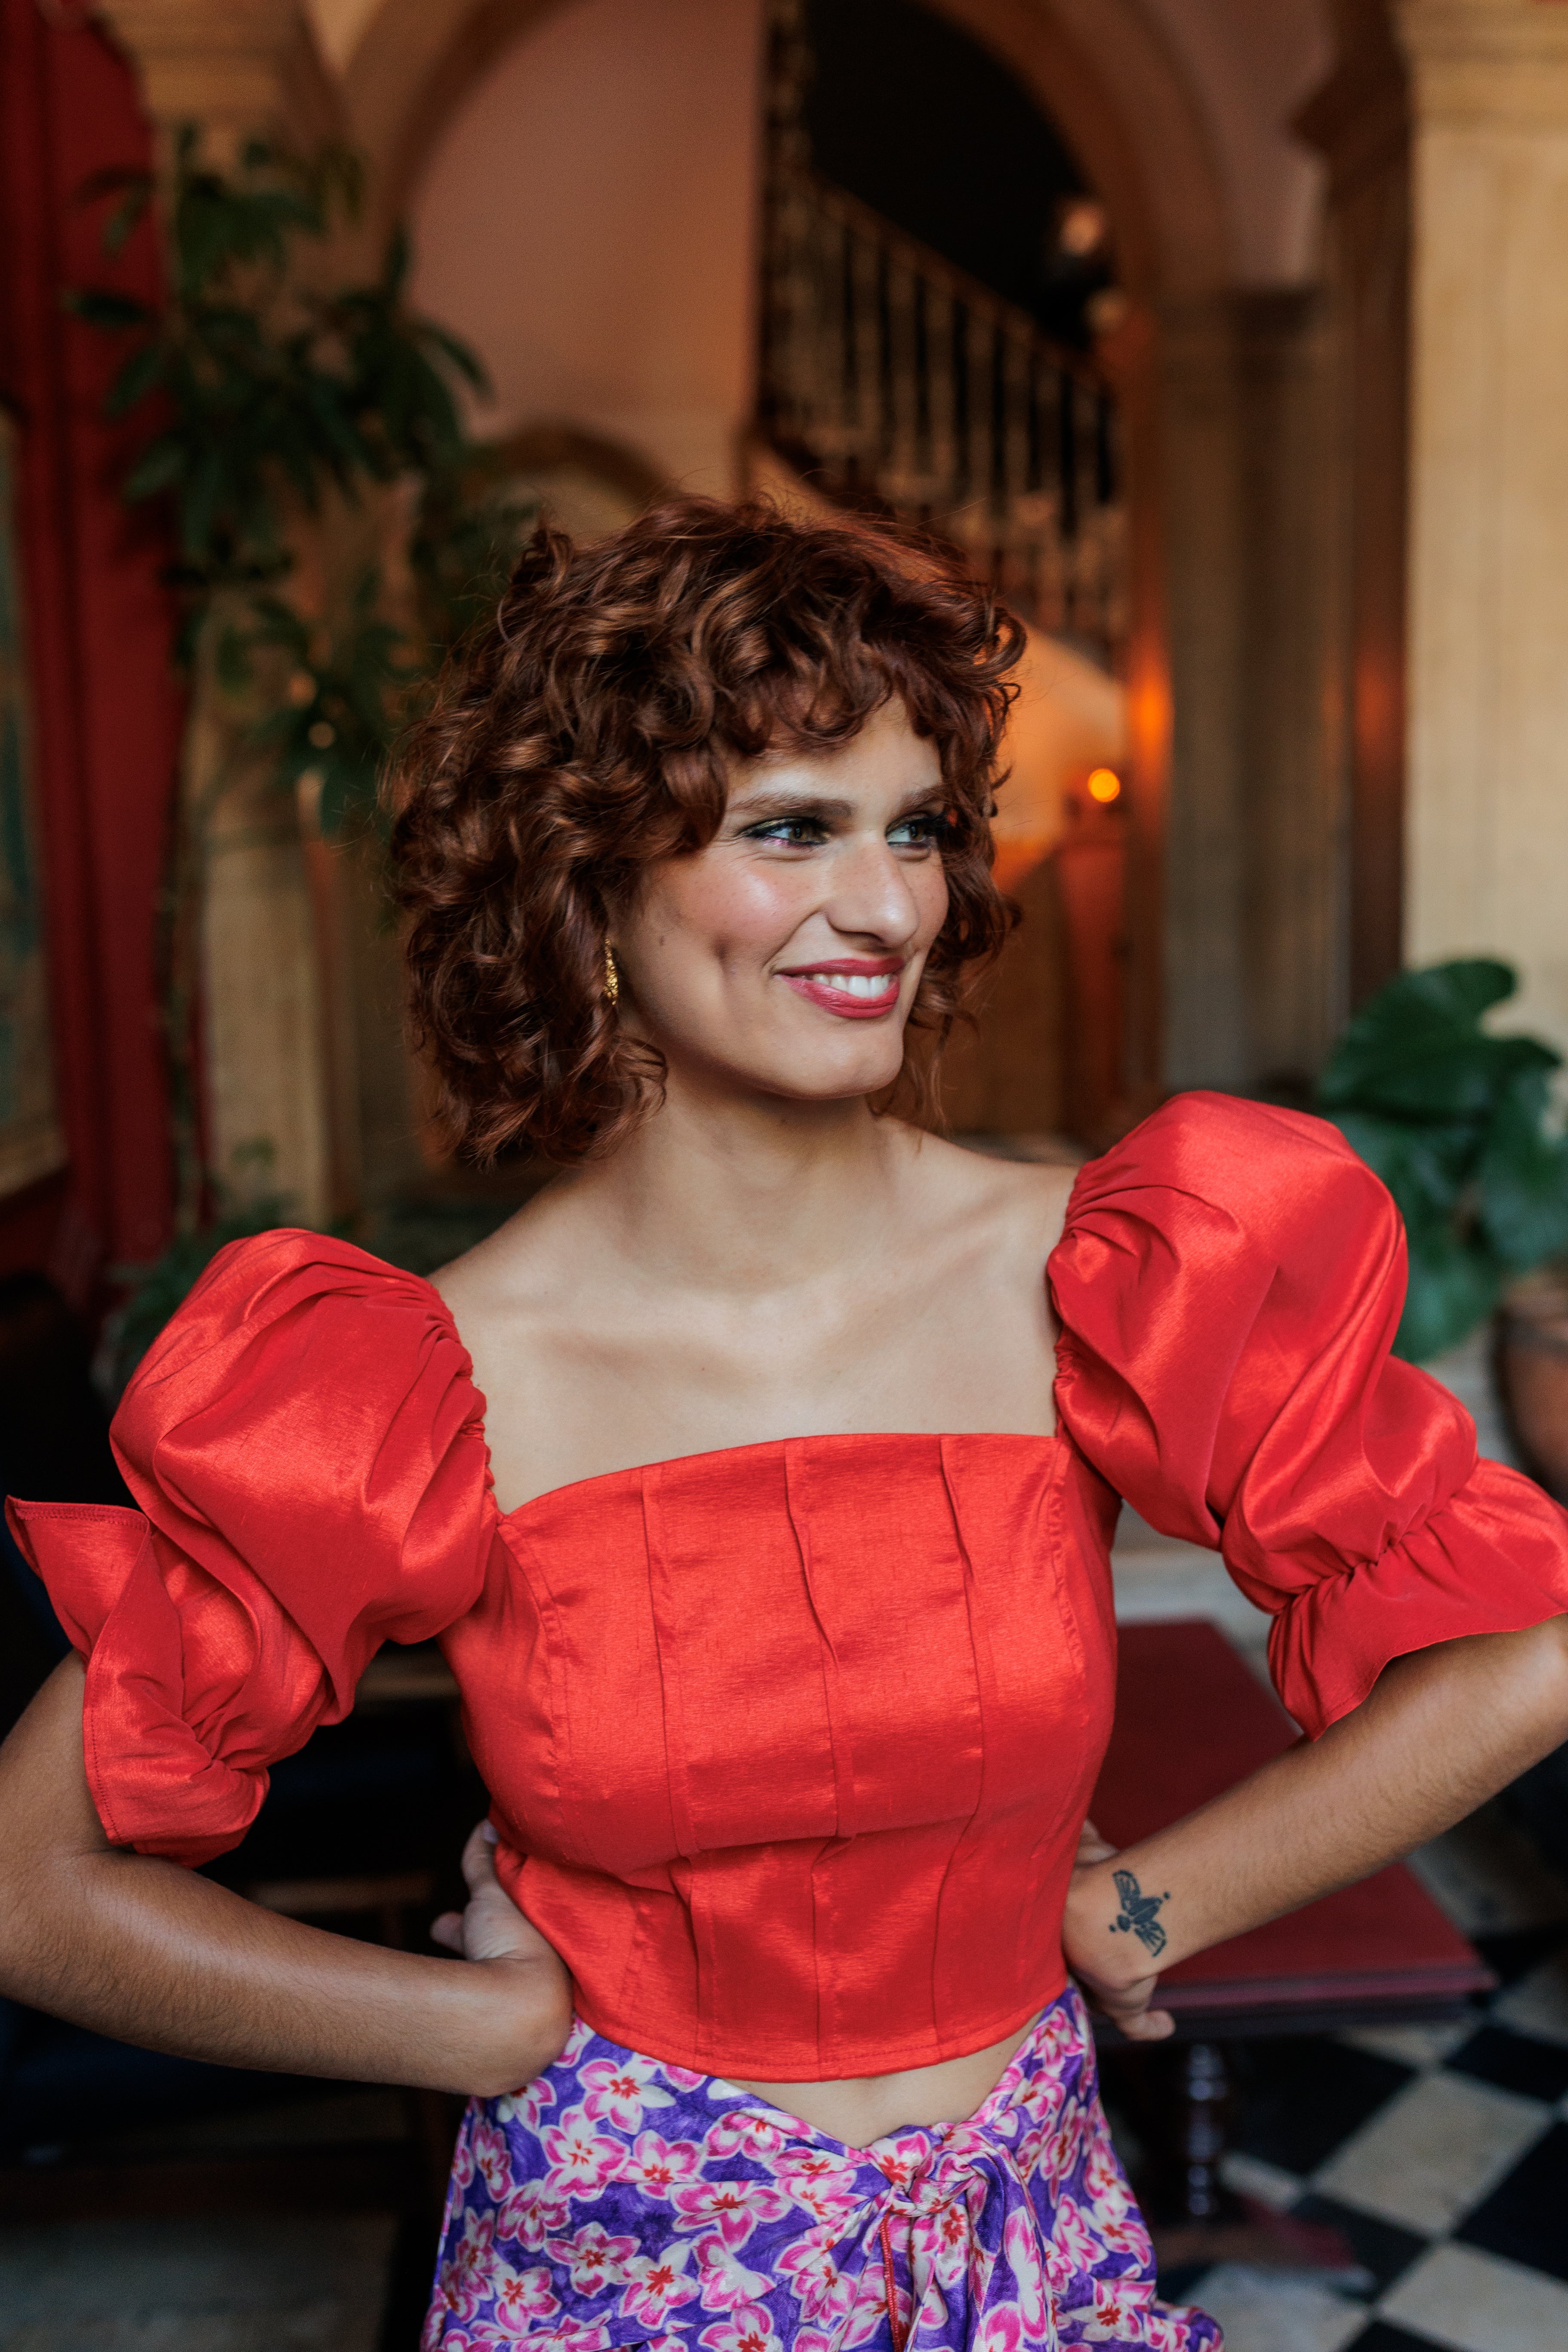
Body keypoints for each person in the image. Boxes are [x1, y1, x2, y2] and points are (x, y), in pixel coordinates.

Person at [3, 497, 1568, 2352]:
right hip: (616, 2270)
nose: (891, 904)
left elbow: (1523, 1649)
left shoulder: (1102, 1266)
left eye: (915, 827)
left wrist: (1149, 1909)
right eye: (790, 829)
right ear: (589, 882)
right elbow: (35, 1887)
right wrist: (467, 2026)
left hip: (1028, 2247)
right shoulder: (426, 1381)